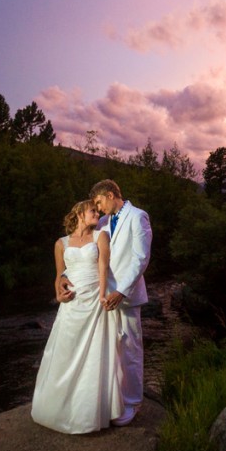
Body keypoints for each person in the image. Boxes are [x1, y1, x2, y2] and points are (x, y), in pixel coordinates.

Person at [31, 200, 124, 433]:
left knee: (93, 355)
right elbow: (59, 275)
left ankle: (87, 413)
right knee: (65, 351)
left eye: (97, 210)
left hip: (93, 300)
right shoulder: (61, 243)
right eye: (93, 210)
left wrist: (102, 296)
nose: (97, 213)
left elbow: (103, 267)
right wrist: (58, 292)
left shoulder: (100, 237)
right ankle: (58, 408)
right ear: (80, 214)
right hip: (71, 304)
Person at [88, 178, 151, 427]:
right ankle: (115, 399)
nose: (98, 208)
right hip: (104, 295)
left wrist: (122, 292)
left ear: (111, 194)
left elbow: (141, 257)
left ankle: (133, 402)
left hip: (126, 295)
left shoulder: (138, 216)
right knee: (109, 348)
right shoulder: (103, 223)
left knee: (130, 348)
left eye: (99, 202)